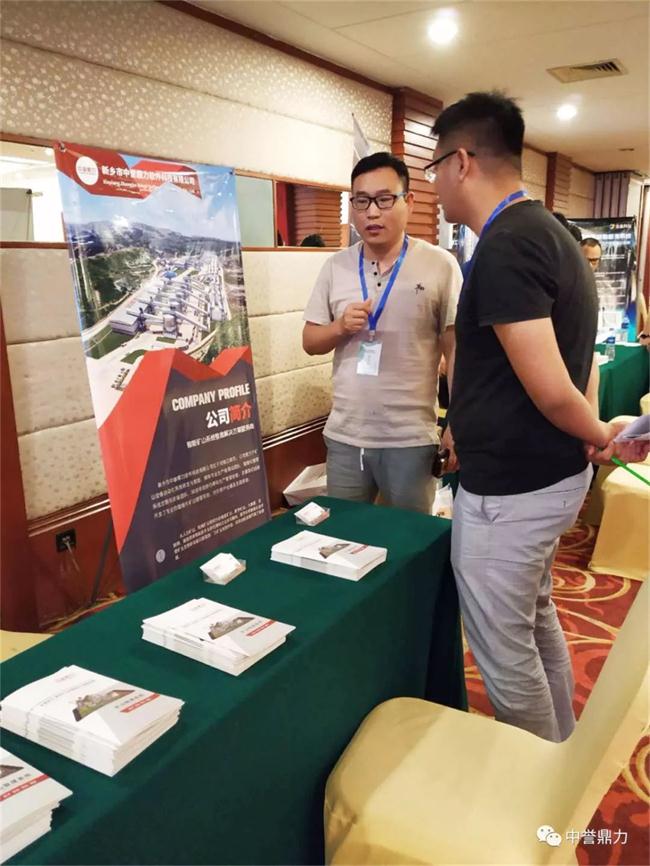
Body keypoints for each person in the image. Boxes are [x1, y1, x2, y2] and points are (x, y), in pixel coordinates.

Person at [427, 90, 650, 743]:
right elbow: (577, 367)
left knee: (503, 646)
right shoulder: (549, 232)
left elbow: (552, 388)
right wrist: (592, 431)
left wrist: (599, 434)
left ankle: (535, 780)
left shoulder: (507, 245)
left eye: (434, 167)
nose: (433, 185)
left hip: (514, 491)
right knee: (533, 616)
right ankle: (559, 749)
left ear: (461, 161)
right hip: (543, 478)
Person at [302, 152, 462, 513]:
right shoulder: (336, 266)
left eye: (384, 199)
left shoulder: (440, 265)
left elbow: (456, 351)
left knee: (409, 538)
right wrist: (340, 327)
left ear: (409, 201)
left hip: (410, 438)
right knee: (342, 535)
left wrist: (457, 423)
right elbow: (310, 342)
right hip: (346, 436)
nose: (372, 212)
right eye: (361, 201)